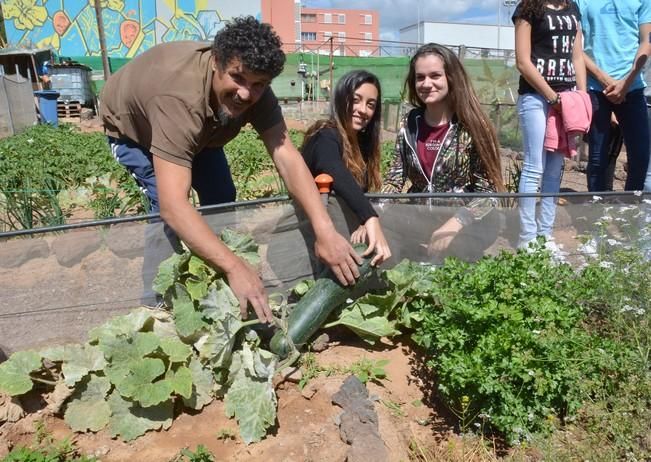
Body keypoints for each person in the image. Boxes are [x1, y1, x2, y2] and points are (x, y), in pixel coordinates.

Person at [100, 16, 362, 323]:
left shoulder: (255, 90)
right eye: (237, 77)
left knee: (222, 196)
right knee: (165, 210)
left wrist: (325, 230)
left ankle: (220, 285)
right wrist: (235, 266)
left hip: (201, 133)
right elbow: (174, 207)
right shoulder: (178, 99)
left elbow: (286, 155)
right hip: (134, 132)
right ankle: (155, 309)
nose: (246, 93)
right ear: (216, 62)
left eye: (258, 84)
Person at [382, 43, 505, 255]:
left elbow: (489, 193)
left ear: (451, 77)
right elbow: (394, 179)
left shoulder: (473, 125)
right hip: (418, 217)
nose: (426, 84)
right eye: (420, 77)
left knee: (459, 252)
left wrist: (455, 223)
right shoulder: (410, 122)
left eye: (435, 76)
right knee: (379, 237)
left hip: (462, 222)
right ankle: (415, 254)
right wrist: (375, 211)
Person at [512, 0, 586, 249]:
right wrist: (551, 97)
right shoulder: (528, 8)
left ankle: (545, 236)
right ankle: (527, 239)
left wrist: (582, 98)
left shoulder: (573, 8)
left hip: (566, 99)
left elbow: (577, 57)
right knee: (535, 167)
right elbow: (522, 62)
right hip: (535, 97)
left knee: (555, 169)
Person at [300, 70, 391, 267]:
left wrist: (361, 221)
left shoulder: (362, 145)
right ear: (341, 99)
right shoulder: (324, 134)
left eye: (370, 105)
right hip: (306, 244)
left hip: (339, 242)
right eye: (356, 100)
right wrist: (369, 217)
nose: (362, 109)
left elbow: (357, 191)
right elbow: (332, 168)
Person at [576, 0, 651, 192]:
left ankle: (629, 211)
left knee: (640, 156)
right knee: (597, 157)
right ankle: (596, 211)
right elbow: (574, 46)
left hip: (632, 89)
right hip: (596, 88)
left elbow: (646, 41)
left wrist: (626, 82)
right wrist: (603, 79)